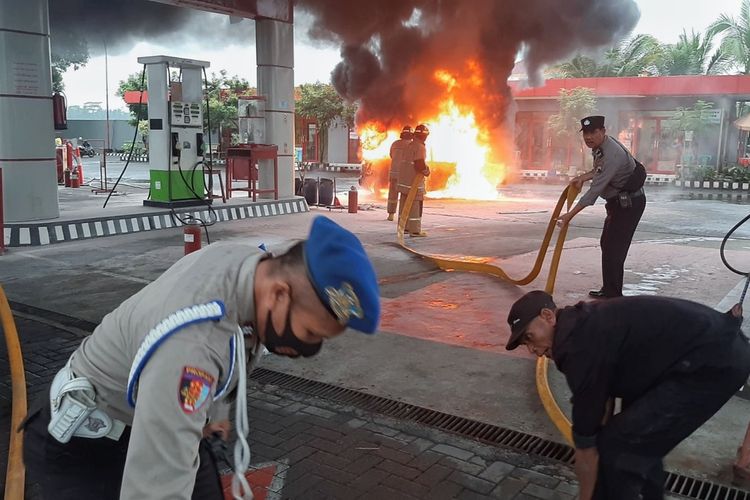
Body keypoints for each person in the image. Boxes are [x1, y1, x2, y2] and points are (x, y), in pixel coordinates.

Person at [22, 215, 380, 500]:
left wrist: (215, 412)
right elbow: (156, 487)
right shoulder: (190, 347)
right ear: (281, 295)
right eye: (311, 333)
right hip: (85, 446)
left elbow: (238, 339)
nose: (309, 349)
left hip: (149, 419)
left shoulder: (251, 266)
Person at [505, 290, 750, 500]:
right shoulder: (581, 323)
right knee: (636, 442)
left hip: (710, 365)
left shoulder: (577, 349)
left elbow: (586, 452)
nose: (533, 350)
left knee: (619, 448)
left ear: (548, 317)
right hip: (705, 353)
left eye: (529, 337)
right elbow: (602, 406)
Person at [557, 116, 646, 298]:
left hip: (629, 205)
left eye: (593, 132)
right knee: (607, 244)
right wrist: (583, 176)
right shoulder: (601, 148)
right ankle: (609, 288)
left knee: (615, 249)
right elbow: (598, 170)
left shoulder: (611, 154)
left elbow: (594, 192)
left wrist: (569, 215)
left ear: (602, 131)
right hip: (618, 203)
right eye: (586, 133)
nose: (588, 137)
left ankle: (613, 296)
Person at [397, 123, 431, 237]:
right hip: (414, 183)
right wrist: (427, 171)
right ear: (424, 136)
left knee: (404, 205)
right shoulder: (420, 147)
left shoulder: (409, 145)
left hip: (404, 182)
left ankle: (404, 227)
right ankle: (415, 230)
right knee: (415, 207)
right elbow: (419, 164)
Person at [387, 125, 413, 221]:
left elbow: (391, 155)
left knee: (392, 194)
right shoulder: (411, 145)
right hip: (404, 175)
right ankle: (403, 216)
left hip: (393, 173)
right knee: (404, 195)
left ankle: (391, 214)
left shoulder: (394, 144)